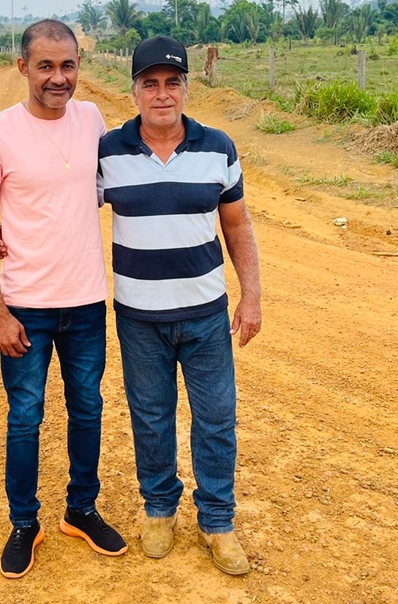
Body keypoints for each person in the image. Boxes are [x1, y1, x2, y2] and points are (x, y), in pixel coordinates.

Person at [0, 19, 127, 580]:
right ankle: (23, 523)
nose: (58, 78)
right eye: (46, 66)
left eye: (68, 66)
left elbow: (99, 193)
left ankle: (81, 509)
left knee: (88, 408)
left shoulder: (91, 120)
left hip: (85, 300)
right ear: (23, 67)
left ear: (79, 66)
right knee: (25, 417)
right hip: (26, 305)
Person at [96, 36, 262, 575]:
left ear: (187, 86)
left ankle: (217, 522)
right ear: (136, 90)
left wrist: (251, 295)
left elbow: (237, 224)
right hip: (138, 315)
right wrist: (11, 234)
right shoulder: (108, 151)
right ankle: (160, 510)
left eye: (172, 83)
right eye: (150, 83)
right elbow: (61, 209)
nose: (162, 94)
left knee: (216, 419)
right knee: (151, 416)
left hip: (205, 312)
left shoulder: (219, 147)